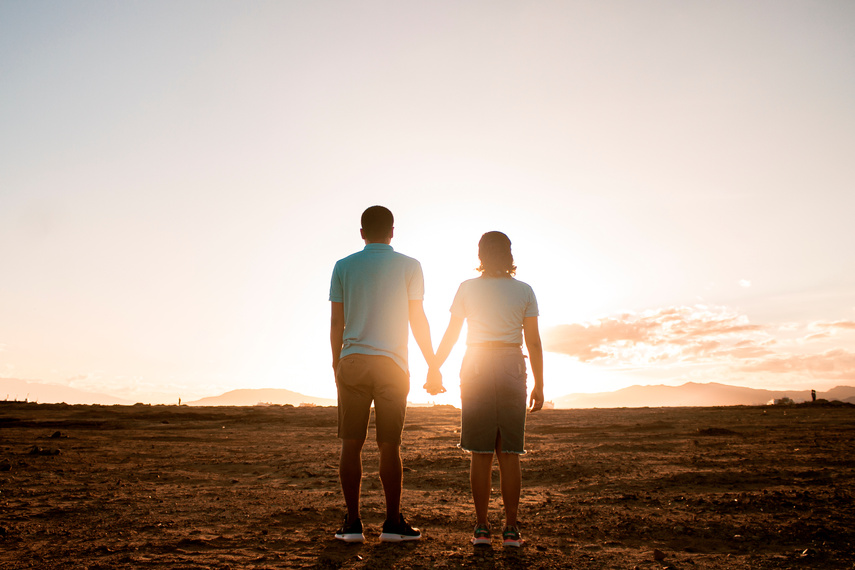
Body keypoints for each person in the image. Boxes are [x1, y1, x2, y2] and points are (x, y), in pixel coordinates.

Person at [425, 231, 544, 548]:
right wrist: (540, 383)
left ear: (480, 255)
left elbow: (452, 333)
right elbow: (532, 342)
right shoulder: (524, 291)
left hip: (476, 361)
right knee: (509, 452)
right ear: (509, 254)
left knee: (480, 453)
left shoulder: (467, 288)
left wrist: (435, 366)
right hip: (510, 362)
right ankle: (510, 529)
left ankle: (480, 528)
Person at [329, 205, 440, 543]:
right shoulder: (410, 266)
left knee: (352, 444)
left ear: (361, 233)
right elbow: (417, 319)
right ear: (393, 231)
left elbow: (337, 322)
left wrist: (338, 364)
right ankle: (392, 524)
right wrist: (433, 364)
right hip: (393, 365)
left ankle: (352, 525)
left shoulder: (343, 266)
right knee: (389, 446)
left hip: (353, 360)